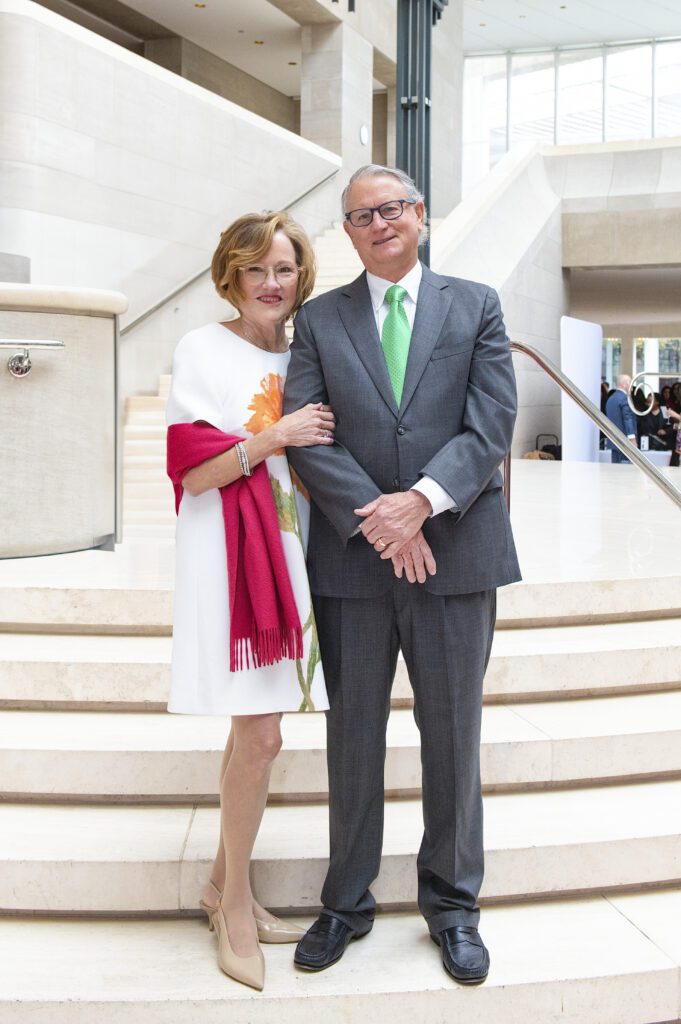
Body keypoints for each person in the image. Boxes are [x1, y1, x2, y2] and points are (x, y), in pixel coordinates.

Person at [283, 164, 521, 985]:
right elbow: (309, 433)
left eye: (392, 208)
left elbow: (489, 422)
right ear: (345, 232)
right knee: (352, 738)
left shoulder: (476, 304)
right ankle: (345, 901)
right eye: (360, 215)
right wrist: (380, 523)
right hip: (353, 562)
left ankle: (453, 906)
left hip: (456, 555)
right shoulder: (317, 320)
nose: (379, 223)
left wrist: (417, 503)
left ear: (419, 214)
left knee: (451, 735)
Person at [165, 212, 333, 991]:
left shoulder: (307, 352)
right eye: (256, 269)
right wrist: (275, 437)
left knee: (254, 728)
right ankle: (233, 904)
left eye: (285, 269)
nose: (271, 283)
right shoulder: (203, 348)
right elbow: (194, 471)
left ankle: (216, 884)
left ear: (303, 277)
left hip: (292, 550)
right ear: (229, 273)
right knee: (261, 733)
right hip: (230, 555)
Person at [604, 374, 637, 463]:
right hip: (625, 442)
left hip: (614, 441)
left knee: (616, 471)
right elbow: (628, 419)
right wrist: (632, 438)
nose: (631, 385)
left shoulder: (611, 399)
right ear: (624, 384)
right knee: (626, 472)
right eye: (630, 382)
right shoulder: (624, 399)